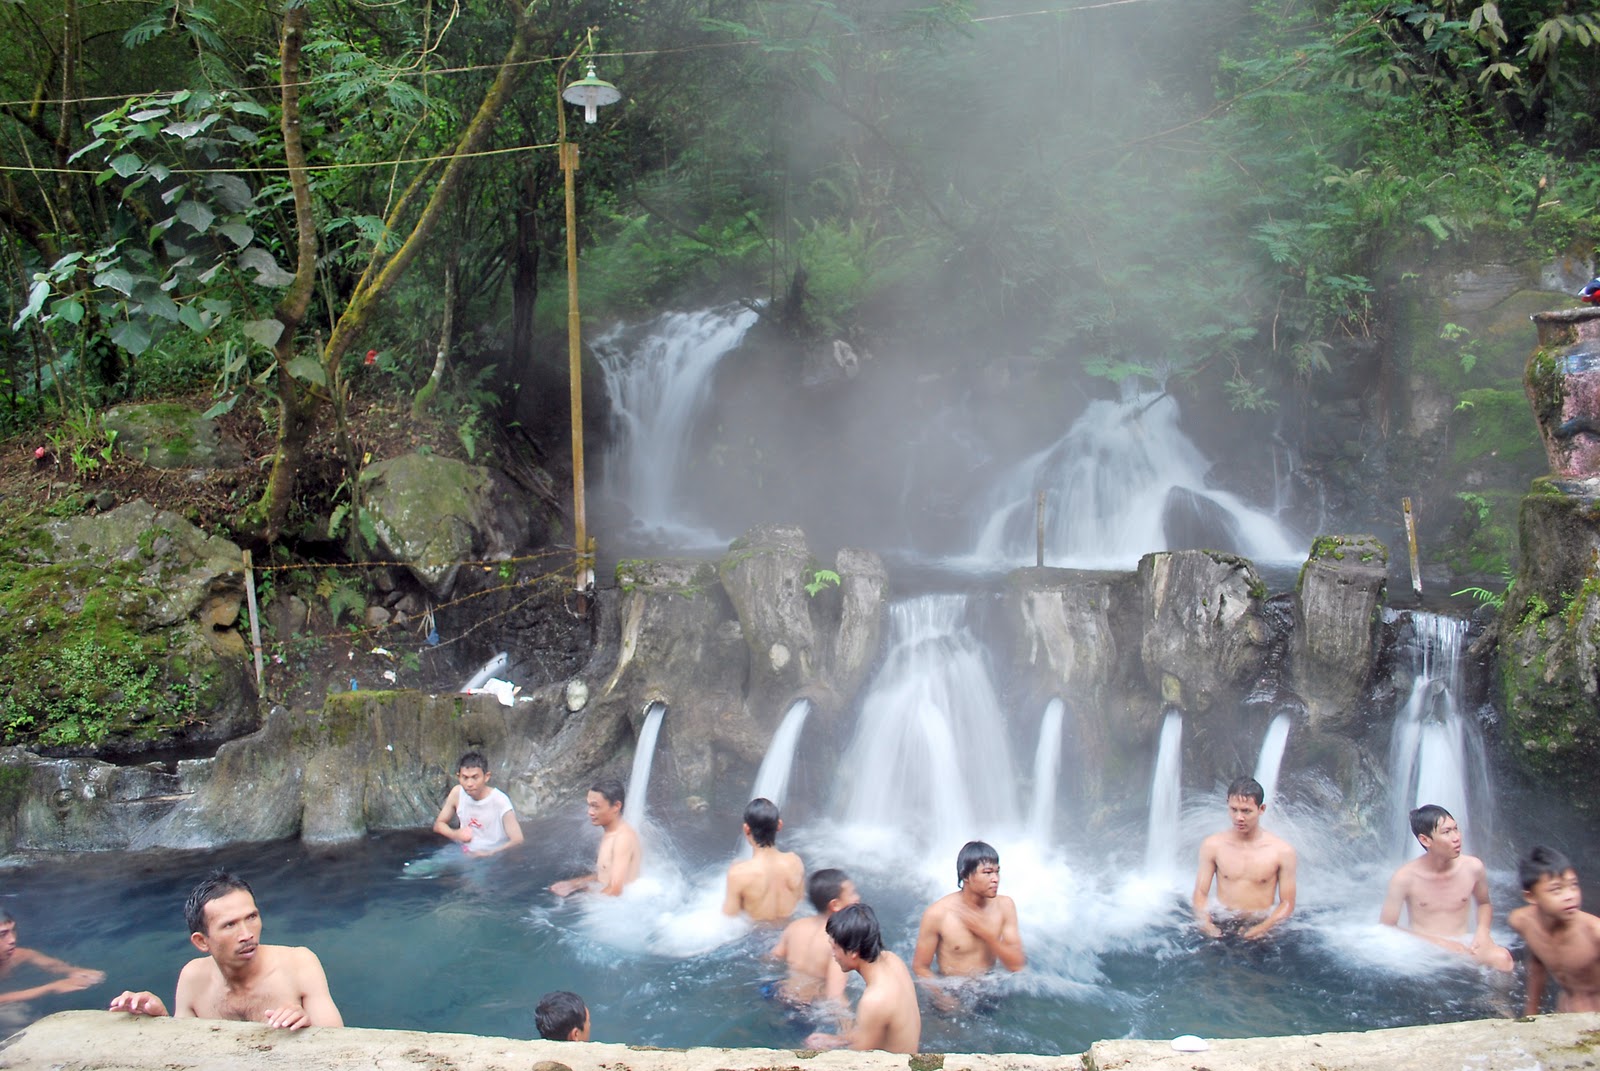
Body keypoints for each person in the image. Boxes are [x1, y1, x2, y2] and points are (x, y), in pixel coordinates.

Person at [108, 871, 343, 1029]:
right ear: (202, 942)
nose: (247, 934)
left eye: (251, 917)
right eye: (230, 925)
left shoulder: (299, 964)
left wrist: (307, 1024)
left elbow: (340, 1049)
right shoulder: (194, 978)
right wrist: (159, 1021)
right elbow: (188, 1054)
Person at [1379, 804, 1512, 971]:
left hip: (1463, 946)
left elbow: (1484, 903)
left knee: (1503, 959)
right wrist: (1440, 943)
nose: (1456, 837)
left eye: (1456, 829)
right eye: (1446, 832)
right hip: (1422, 952)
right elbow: (1387, 927)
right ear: (1425, 840)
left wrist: (1483, 931)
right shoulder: (1404, 878)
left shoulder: (1473, 868)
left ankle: (1497, 999)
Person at [804, 904, 921, 1054]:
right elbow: (880, 1025)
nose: (833, 954)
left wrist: (822, 1052)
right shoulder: (892, 960)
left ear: (853, 952)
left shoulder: (874, 1000)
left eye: (835, 948)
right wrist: (838, 1040)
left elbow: (857, 1063)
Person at [1192, 776, 1298, 941]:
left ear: (1261, 809)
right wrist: (1205, 923)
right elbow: (1200, 892)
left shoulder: (1282, 851)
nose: (1239, 817)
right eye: (1234, 809)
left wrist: (1262, 929)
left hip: (1261, 924)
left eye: (1246, 811)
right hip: (1222, 922)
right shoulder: (1212, 845)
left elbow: (1287, 903)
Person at [911, 840, 1026, 983]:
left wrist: (986, 934)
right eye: (988, 873)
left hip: (991, 985)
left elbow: (1017, 965)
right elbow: (920, 967)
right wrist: (942, 997)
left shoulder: (1005, 906)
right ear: (965, 876)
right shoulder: (937, 914)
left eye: (997, 872)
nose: (995, 879)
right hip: (952, 989)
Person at [1508, 845, 1600, 1014]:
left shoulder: (1594, 932)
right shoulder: (1522, 922)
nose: (1570, 895)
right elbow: (1537, 963)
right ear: (1530, 896)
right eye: (1556, 889)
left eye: (1573, 885)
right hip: (1565, 1013)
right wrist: (1531, 1015)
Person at [771, 868, 860, 1006]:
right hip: (807, 1009)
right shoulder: (840, 943)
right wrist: (848, 1025)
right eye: (852, 894)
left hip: (780, 994)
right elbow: (835, 996)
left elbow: (774, 958)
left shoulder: (796, 926)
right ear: (835, 904)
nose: (857, 898)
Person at [550, 779, 641, 897]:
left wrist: (580, 899)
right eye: (589, 806)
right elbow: (605, 874)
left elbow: (615, 890)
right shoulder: (611, 833)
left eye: (595, 807)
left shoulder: (622, 838)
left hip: (618, 907)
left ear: (616, 806)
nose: (590, 812)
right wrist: (574, 884)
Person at [723, 797, 805, 922]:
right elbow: (801, 903)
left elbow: (728, 919)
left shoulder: (738, 873)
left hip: (757, 936)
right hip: (789, 931)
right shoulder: (795, 862)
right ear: (779, 825)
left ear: (746, 829)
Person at [0, 908, 105, 1005]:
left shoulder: (19, 955)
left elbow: (51, 966)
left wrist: (74, 971)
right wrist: (51, 987)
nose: (12, 940)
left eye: (13, 930)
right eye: (2, 934)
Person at [432, 750, 524, 857]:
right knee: (418, 868)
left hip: (491, 856)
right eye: (465, 778)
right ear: (458, 777)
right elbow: (438, 825)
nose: (469, 784)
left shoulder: (500, 801)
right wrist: (455, 834)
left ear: (486, 777)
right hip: (463, 851)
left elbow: (517, 840)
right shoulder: (457, 793)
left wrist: (488, 853)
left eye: (475, 777)